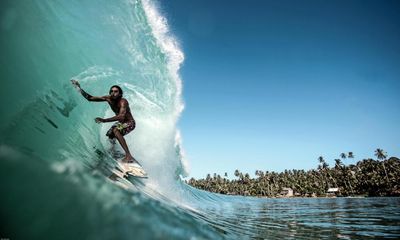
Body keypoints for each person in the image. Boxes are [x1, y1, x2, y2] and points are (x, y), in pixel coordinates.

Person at [71, 79, 138, 164]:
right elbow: (90, 98)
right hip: (121, 123)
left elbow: (121, 116)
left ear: (120, 94)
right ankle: (113, 150)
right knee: (110, 134)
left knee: (116, 130)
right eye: (111, 91)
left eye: (116, 91)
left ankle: (128, 155)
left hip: (129, 122)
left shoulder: (123, 102)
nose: (113, 93)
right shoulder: (108, 98)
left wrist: (104, 120)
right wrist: (79, 88)